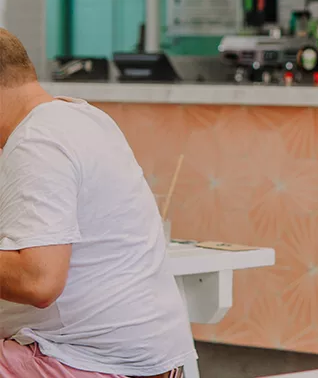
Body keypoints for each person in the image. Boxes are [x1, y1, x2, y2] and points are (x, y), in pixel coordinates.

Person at [0, 29, 196, 377]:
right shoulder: (80, 118)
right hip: (143, 360)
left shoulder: (37, 141)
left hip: (90, 362)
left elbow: (38, 281)